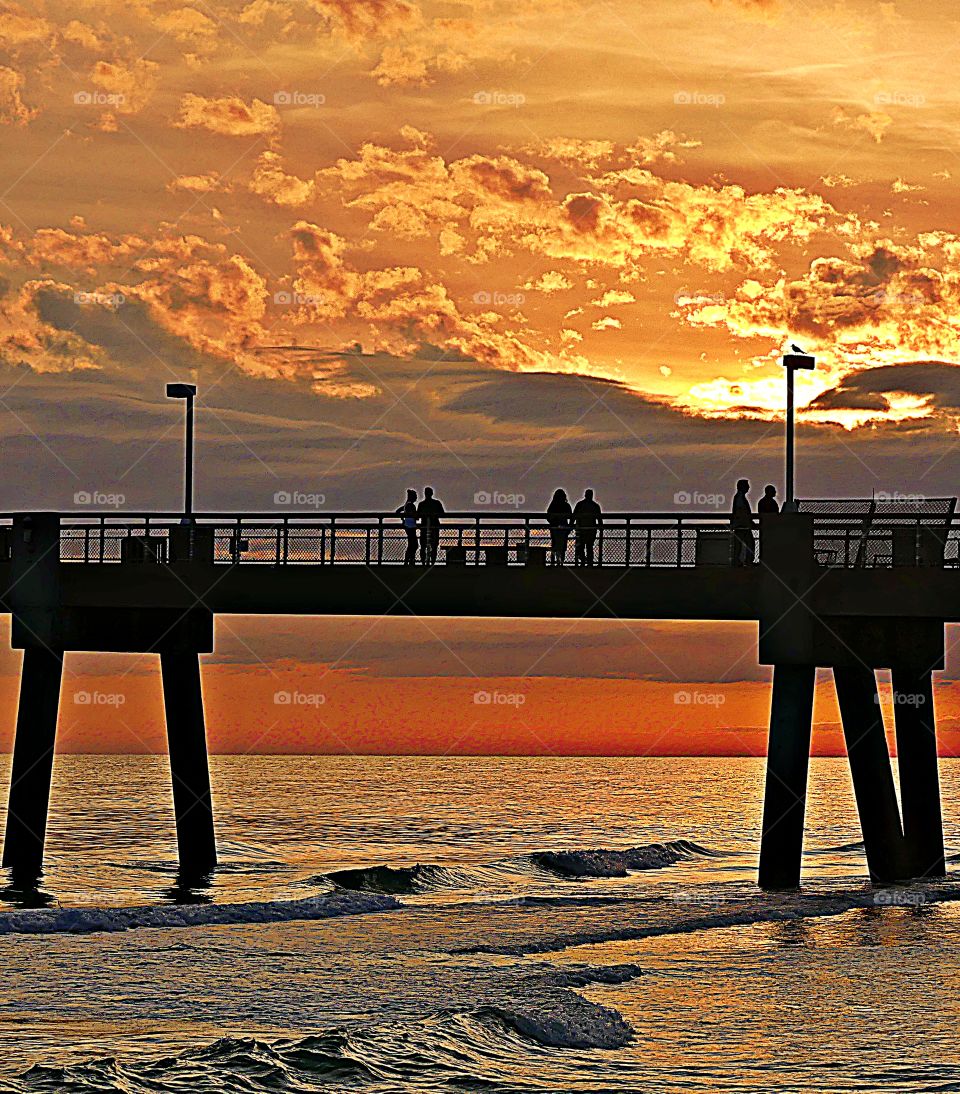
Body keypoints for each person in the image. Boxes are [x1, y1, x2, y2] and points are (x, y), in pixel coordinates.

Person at [573, 489, 602, 566]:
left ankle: (582, 562)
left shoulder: (580, 504)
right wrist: (600, 528)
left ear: (585, 495)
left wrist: (570, 526)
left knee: (581, 546)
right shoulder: (595, 506)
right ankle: (590, 563)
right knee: (589, 546)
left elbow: (573, 516)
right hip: (591, 530)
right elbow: (599, 520)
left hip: (581, 530)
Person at [417, 486, 445, 565]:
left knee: (423, 546)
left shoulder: (421, 504)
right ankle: (432, 562)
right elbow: (442, 514)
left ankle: (423, 563)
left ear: (425, 494)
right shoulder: (436, 503)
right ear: (432, 493)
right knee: (434, 546)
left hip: (424, 527)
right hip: (434, 527)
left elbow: (417, 516)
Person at [731, 478, 754, 565]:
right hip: (743, 526)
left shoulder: (739, 497)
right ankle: (747, 561)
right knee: (749, 543)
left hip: (741, 525)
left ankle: (739, 561)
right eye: (747, 486)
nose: (748, 487)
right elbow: (741, 512)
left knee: (740, 544)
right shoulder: (740, 498)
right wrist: (748, 520)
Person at [546, 489, 573, 565]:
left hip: (554, 528)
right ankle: (561, 562)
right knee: (562, 545)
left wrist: (553, 521)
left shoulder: (553, 505)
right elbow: (571, 517)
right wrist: (569, 527)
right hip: (564, 528)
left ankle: (553, 562)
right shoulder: (566, 505)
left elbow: (548, 517)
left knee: (555, 544)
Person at [395, 489, 418, 565]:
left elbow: (397, 511)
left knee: (411, 544)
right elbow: (415, 516)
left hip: (408, 526)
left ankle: (408, 560)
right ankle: (410, 560)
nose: (416, 497)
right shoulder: (411, 505)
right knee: (414, 544)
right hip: (411, 526)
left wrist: (403, 520)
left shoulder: (406, 505)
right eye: (415, 496)